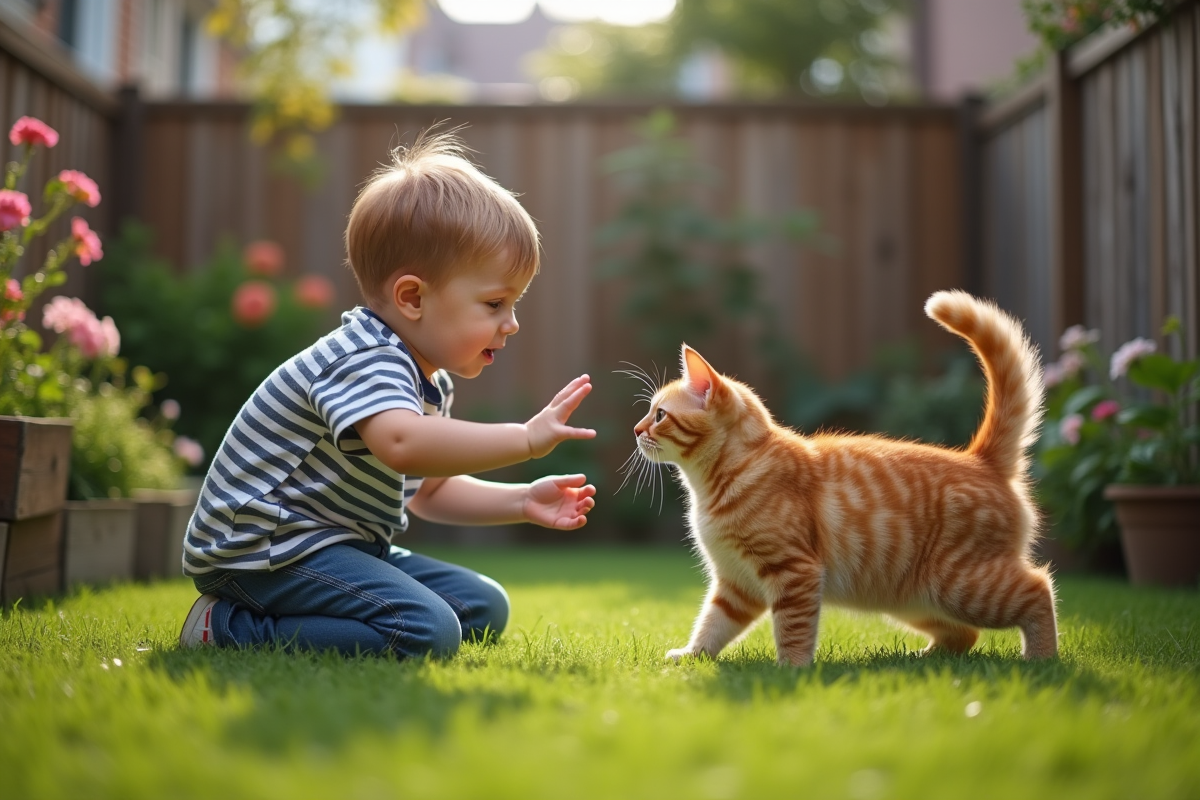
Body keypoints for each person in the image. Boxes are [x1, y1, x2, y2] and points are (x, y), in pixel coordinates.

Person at [178, 130, 597, 658]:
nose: (512, 324)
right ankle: (229, 628)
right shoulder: (365, 357)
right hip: (263, 550)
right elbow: (401, 443)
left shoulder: (427, 379)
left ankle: (287, 620)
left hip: (333, 547)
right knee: (429, 631)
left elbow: (431, 491)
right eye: (495, 304)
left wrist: (520, 499)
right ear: (413, 297)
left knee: (482, 606)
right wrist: (526, 439)